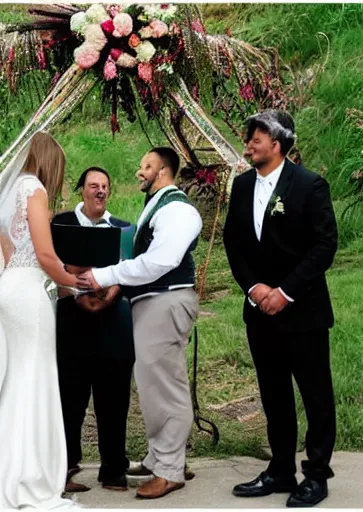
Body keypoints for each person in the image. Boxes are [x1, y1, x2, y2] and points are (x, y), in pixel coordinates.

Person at [223, 110, 338, 507]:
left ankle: (317, 475)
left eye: (258, 137)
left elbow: (325, 245)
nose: (250, 142)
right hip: (259, 311)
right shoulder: (240, 187)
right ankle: (281, 469)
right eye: (250, 136)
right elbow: (233, 244)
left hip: (302, 311)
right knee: (273, 394)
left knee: (316, 394)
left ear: (278, 143)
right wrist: (254, 287)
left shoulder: (309, 185)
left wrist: (285, 291)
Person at [78, 147, 202, 500]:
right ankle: (159, 456)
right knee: (152, 385)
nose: (139, 172)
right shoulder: (159, 205)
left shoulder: (177, 209)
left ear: (163, 170)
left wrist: (105, 274)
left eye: (146, 165)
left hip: (166, 301)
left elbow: (159, 260)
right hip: (152, 303)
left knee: (165, 386)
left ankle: (169, 470)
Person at [0, 131, 81, 509]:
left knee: (15, 380)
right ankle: (28, 474)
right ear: (50, 161)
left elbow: (9, 252)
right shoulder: (34, 189)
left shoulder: (7, 191)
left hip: (9, 287)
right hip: (30, 292)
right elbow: (46, 257)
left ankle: (9, 469)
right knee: (34, 379)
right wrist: (77, 282)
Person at [52, 167, 135, 493]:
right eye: (93, 185)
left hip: (113, 319)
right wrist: (77, 296)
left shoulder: (124, 229)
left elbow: (129, 269)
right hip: (72, 319)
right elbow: (54, 265)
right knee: (69, 398)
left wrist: (109, 295)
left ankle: (113, 468)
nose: (100, 191)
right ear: (81, 191)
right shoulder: (61, 223)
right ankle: (64, 467)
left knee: (114, 397)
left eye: (105, 186)